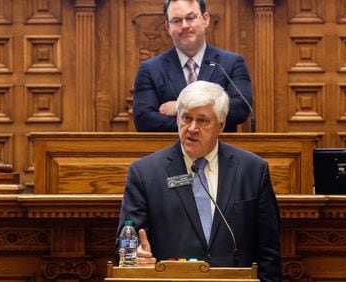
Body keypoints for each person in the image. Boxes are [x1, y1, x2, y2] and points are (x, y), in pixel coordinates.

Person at [117, 81, 281, 282]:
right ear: (177, 119)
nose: (192, 128)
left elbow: (269, 253)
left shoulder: (253, 170)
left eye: (203, 120)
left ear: (221, 125)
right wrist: (136, 258)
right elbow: (125, 250)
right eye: (186, 118)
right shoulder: (144, 173)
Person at [133, 0, 253, 132]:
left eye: (190, 18)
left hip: (220, 149)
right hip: (171, 150)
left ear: (205, 19)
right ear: (168, 27)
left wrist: (180, 106)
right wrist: (204, 120)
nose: (184, 25)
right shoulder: (150, 69)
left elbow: (240, 108)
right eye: (177, 20)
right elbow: (144, 120)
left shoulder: (231, 63)